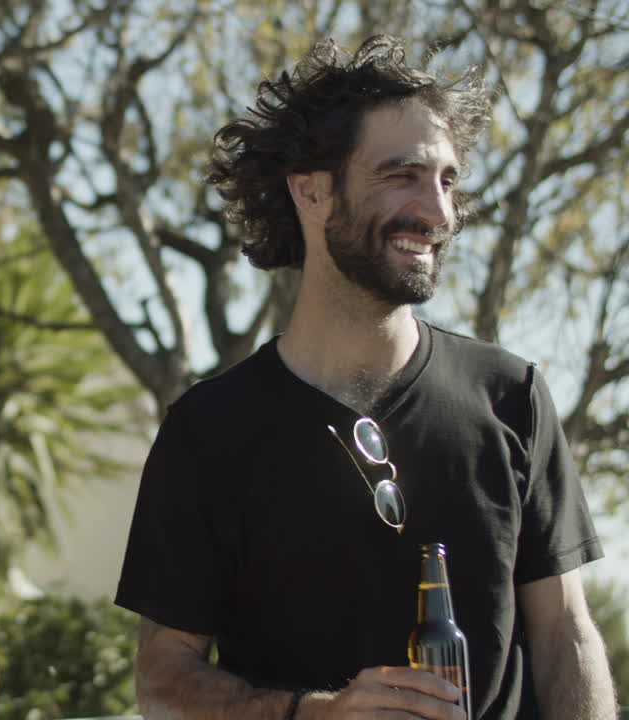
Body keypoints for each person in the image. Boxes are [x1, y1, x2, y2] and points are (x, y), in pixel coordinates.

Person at [115, 35, 618, 720]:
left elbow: (565, 635)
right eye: (402, 175)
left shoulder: (512, 397)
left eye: (447, 180)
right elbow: (162, 678)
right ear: (313, 191)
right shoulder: (209, 430)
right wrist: (313, 714)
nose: (439, 212)